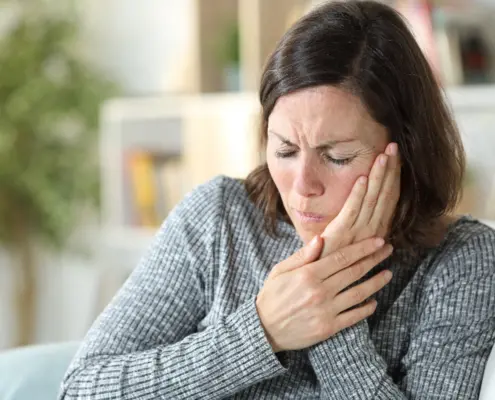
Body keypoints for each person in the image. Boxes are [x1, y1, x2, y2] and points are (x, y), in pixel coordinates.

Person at [59, 1, 495, 399]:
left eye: (337, 157)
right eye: (285, 150)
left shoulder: (459, 261)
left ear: (405, 151)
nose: (303, 184)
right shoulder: (218, 218)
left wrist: (326, 306)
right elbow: (79, 390)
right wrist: (260, 332)